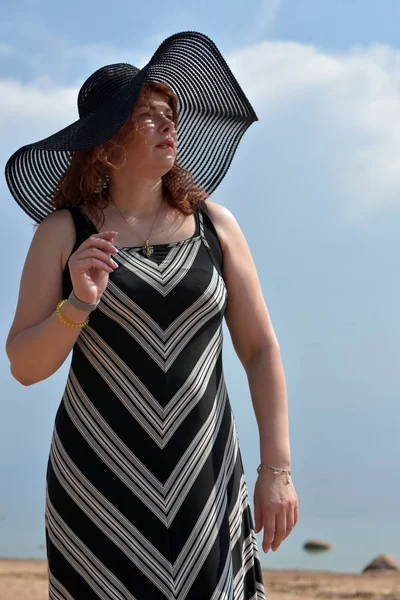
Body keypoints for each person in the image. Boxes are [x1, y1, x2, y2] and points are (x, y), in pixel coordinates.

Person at [5, 31, 298, 599]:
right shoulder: (63, 233)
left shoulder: (217, 226)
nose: (169, 124)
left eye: (171, 112)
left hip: (206, 476)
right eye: (148, 115)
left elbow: (260, 350)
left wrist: (276, 472)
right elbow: (23, 364)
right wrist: (78, 306)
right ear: (107, 142)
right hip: (98, 483)